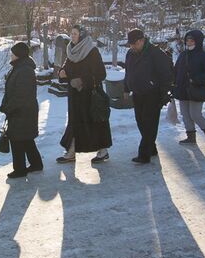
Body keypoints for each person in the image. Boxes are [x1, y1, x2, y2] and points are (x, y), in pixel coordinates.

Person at [57, 25, 112, 163]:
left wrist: (82, 81)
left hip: (90, 96)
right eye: (72, 33)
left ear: (81, 35)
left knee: (95, 123)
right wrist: (62, 73)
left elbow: (101, 74)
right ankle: (71, 152)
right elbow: (66, 68)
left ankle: (103, 151)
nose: (72, 36)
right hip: (75, 97)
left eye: (75, 33)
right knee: (75, 123)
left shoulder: (92, 51)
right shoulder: (71, 51)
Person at [124, 29, 175, 163]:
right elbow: (128, 72)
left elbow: (166, 75)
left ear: (141, 41)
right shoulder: (130, 54)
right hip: (137, 93)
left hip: (153, 94)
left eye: (134, 44)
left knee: (149, 124)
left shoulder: (155, 53)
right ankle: (151, 148)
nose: (132, 47)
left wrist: (164, 93)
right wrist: (126, 88)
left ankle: (144, 154)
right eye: (130, 44)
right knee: (140, 121)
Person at [0, 42, 43, 178]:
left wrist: (9, 108)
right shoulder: (20, 67)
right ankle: (36, 164)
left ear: (18, 55)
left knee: (17, 139)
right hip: (23, 110)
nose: (11, 55)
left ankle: (20, 169)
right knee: (26, 138)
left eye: (13, 53)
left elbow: (22, 95)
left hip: (22, 111)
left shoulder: (24, 70)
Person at [172, 29, 205, 145]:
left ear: (198, 41)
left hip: (197, 88)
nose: (189, 42)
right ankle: (191, 136)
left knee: (195, 114)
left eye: (191, 40)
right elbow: (176, 71)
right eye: (187, 40)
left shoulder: (203, 55)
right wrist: (173, 83)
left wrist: (197, 79)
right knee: (185, 114)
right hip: (182, 88)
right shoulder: (182, 55)